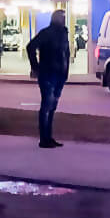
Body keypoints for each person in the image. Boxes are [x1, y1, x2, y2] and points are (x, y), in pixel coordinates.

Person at [25, 11, 72, 149]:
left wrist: (66, 72)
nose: (63, 20)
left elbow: (66, 54)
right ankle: (43, 139)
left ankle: (49, 137)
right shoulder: (46, 33)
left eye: (64, 17)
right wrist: (36, 67)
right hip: (48, 74)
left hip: (59, 75)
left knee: (52, 107)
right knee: (46, 106)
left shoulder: (63, 34)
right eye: (61, 18)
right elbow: (30, 47)